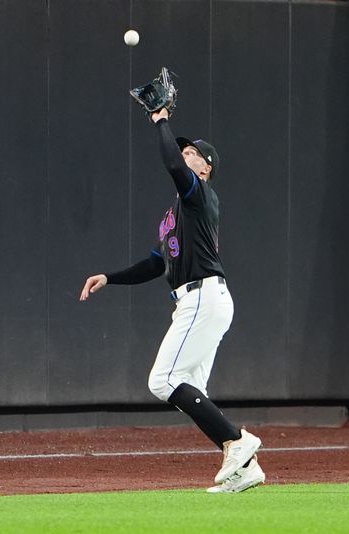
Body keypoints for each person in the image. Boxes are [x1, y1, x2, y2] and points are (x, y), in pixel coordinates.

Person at [79, 107, 265, 493]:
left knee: (163, 380)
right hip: (200, 299)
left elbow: (171, 165)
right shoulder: (177, 213)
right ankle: (246, 467)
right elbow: (154, 264)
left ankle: (238, 442)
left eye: (193, 152)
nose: (186, 154)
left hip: (203, 296)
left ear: (206, 168)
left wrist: (160, 119)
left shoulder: (199, 195)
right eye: (185, 149)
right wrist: (109, 278)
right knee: (192, 391)